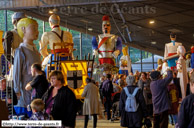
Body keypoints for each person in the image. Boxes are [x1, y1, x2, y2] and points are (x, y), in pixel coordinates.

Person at [13, 18, 41, 116]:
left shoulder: (35, 51)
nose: (37, 32)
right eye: (33, 28)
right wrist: (17, 90)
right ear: (23, 29)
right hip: (24, 95)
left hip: (36, 94)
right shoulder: (21, 51)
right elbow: (16, 72)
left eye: (37, 28)